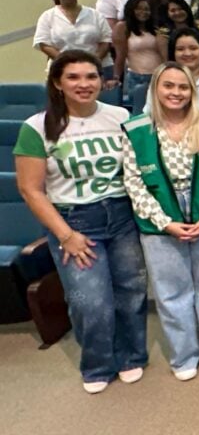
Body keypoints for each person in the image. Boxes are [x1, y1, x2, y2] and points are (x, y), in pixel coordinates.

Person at [14, 51, 148, 394]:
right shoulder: (38, 126)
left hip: (121, 214)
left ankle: (132, 356)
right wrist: (65, 234)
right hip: (73, 220)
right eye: (73, 77)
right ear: (58, 83)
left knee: (130, 292)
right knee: (90, 300)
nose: (84, 84)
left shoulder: (120, 116)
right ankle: (98, 364)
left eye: (91, 76)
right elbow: (31, 190)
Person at [122, 62, 199, 381]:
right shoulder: (136, 128)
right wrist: (164, 221)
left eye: (183, 87)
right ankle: (184, 355)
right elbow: (134, 182)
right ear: (156, 89)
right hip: (159, 218)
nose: (176, 93)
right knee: (171, 292)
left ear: (192, 91)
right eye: (168, 86)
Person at [34, 0, 114, 77]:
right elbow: (44, 44)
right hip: (62, 71)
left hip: (98, 68)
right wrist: (68, 64)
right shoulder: (47, 17)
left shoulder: (94, 14)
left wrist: (92, 62)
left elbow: (106, 40)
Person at [113, 0, 164, 101]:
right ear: (131, 9)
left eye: (147, 9)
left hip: (158, 76)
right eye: (139, 9)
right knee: (139, 113)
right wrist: (116, 77)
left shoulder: (154, 29)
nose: (144, 12)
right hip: (137, 77)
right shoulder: (122, 27)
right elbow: (120, 56)